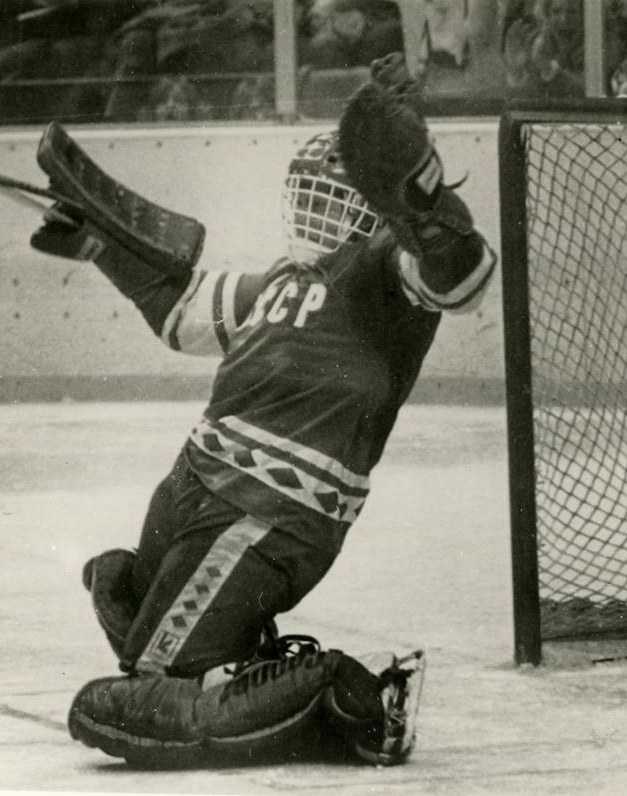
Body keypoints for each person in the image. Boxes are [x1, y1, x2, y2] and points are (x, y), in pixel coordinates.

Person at [28, 53, 495, 766]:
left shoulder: (383, 272)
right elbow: (183, 312)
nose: (315, 208)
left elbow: (462, 281)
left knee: (142, 696)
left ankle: (342, 689)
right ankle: (253, 667)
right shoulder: (285, 278)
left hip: (266, 513)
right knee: (118, 590)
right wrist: (103, 249)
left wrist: (423, 207)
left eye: (333, 194)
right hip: (193, 484)